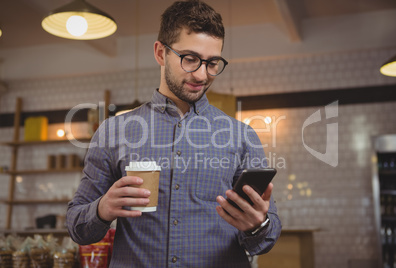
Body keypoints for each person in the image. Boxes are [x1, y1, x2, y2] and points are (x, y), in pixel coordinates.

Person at [66, 0, 281, 267]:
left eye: (212, 62)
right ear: (160, 53)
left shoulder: (242, 136)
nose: (202, 74)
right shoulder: (113, 131)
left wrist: (257, 226)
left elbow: (266, 239)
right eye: (190, 59)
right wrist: (101, 209)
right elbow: (77, 228)